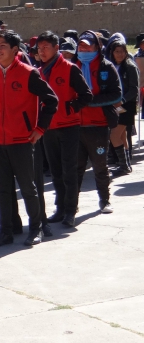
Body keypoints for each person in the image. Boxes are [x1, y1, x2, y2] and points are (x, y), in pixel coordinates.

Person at [0, 31, 58, 247]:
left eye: (2, 45)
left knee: (28, 188)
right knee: (2, 188)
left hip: (22, 140)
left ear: (15, 50)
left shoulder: (29, 73)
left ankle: (36, 228)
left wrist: (40, 128)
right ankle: (5, 231)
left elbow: (51, 101)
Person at [36, 31, 93, 228]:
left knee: (69, 171)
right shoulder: (38, 71)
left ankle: (70, 211)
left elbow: (86, 95)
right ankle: (60, 208)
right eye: (39, 48)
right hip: (48, 128)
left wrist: (70, 107)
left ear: (56, 48)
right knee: (56, 171)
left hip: (69, 126)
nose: (42, 52)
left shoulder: (70, 69)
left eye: (46, 47)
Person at [75, 31, 122, 214]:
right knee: (75, 168)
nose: (83, 49)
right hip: (75, 126)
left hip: (98, 125)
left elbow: (116, 95)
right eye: (81, 46)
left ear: (97, 47)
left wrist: (89, 101)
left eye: (88, 45)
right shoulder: (73, 66)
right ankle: (72, 205)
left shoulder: (106, 67)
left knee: (100, 165)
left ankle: (104, 200)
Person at [105, 34, 139, 177]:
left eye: (122, 51)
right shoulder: (111, 66)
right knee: (122, 136)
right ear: (112, 52)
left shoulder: (130, 67)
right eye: (116, 51)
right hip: (115, 105)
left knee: (114, 136)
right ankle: (125, 164)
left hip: (127, 105)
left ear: (126, 52)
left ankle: (123, 165)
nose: (119, 54)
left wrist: (122, 100)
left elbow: (134, 89)